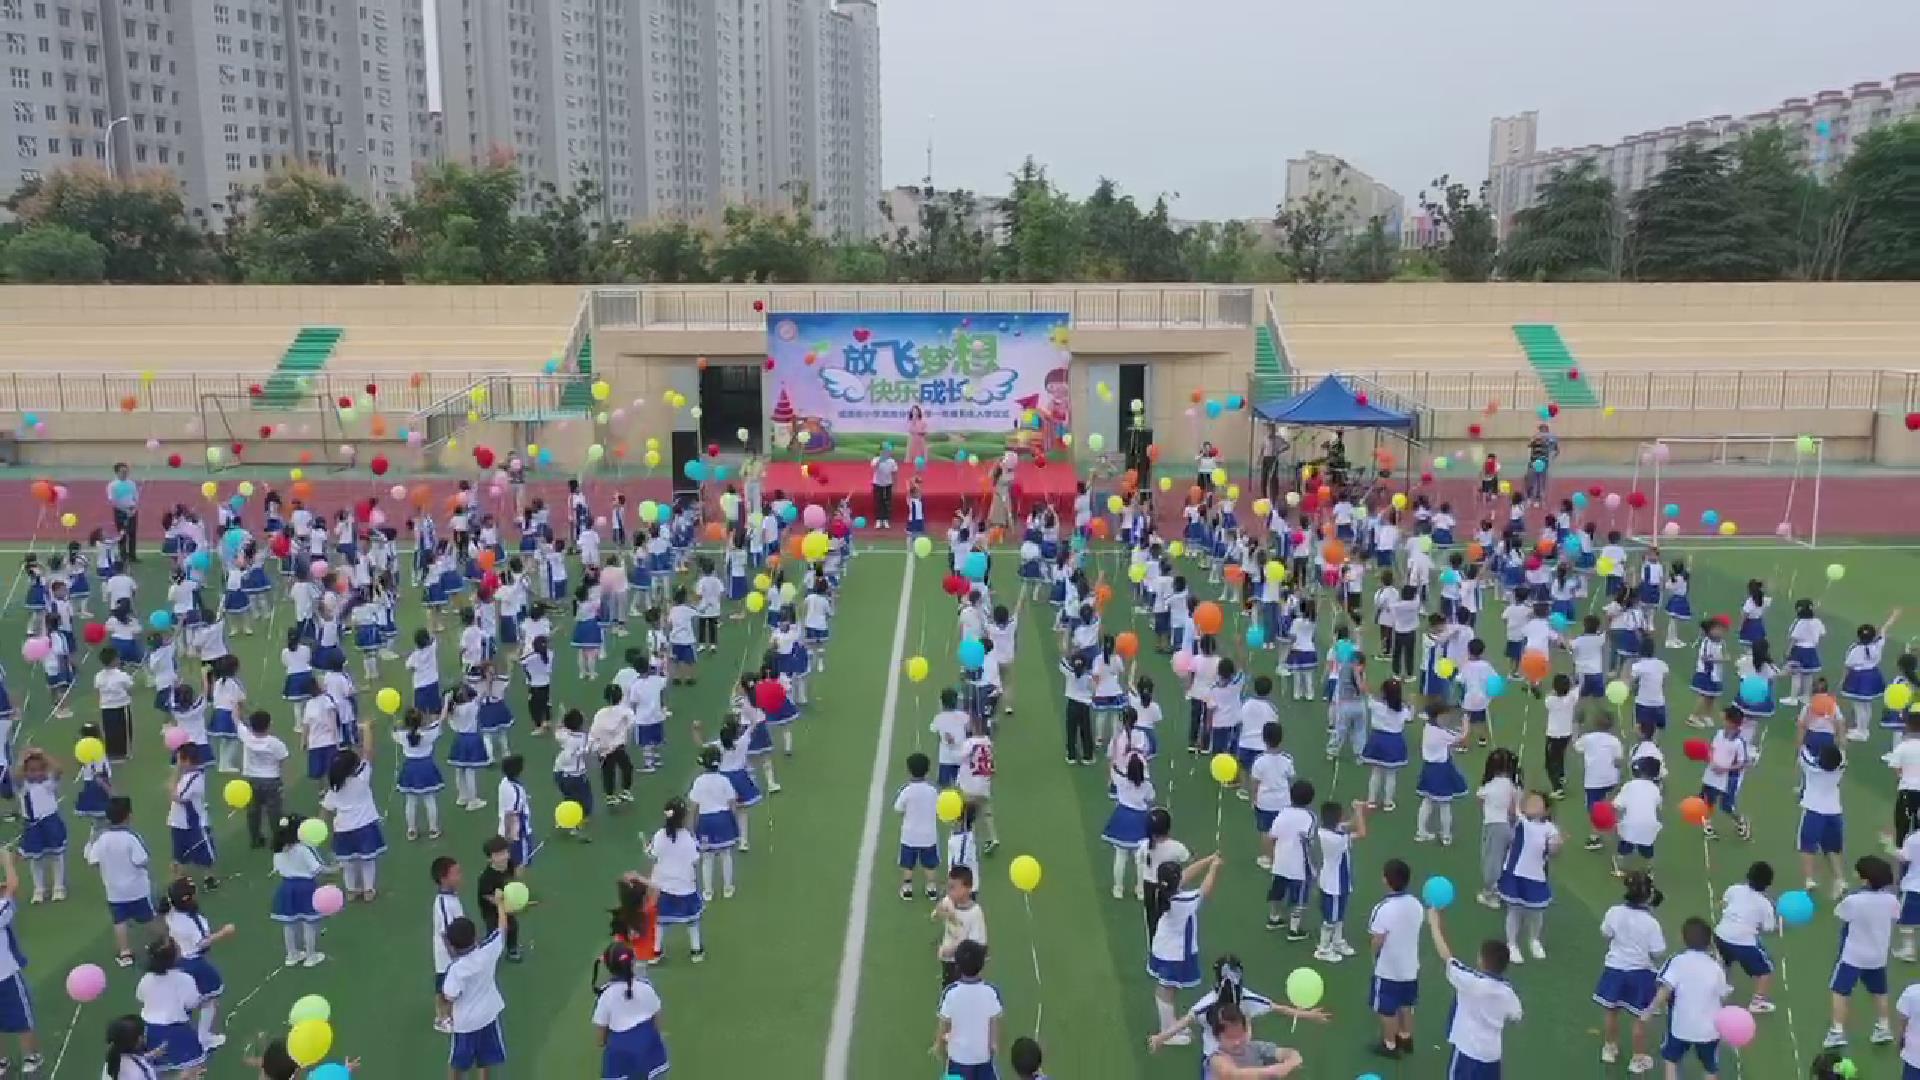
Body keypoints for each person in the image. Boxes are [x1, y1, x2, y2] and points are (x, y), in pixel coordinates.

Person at [1426, 905, 1523, 1078]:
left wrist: (1434, 924)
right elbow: (1516, 1017)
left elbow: (1447, 957)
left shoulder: (1470, 982)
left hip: (1467, 1052)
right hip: (1492, 1056)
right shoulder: (1509, 993)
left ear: (1482, 960)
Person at [1593, 870, 1666, 1072]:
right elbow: (1658, 952)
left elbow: (1606, 933)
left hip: (1614, 969)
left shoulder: (1614, 912)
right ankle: (1637, 1058)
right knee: (1640, 1019)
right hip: (1640, 974)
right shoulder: (1651, 923)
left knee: (1611, 1011)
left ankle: (1609, 1048)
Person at [1826, 855, 1900, 1049]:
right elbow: (1894, 916)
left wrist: (1842, 896)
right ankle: (1884, 1027)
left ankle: (1837, 1032)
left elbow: (1840, 914)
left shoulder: (1854, 900)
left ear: (1865, 879)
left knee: (1840, 991)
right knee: (1880, 992)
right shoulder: (1892, 900)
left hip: (1853, 955)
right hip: (1878, 956)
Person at [1649, 918, 1732, 1080]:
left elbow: (1665, 989)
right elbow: (1723, 992)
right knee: (1710, 1068)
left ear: (1682, 938)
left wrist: (1650, 1010)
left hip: (1681, 1025)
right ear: (1709, 942)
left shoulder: (1677, 961)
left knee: (1671, 1060)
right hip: (1709, 1030)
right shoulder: (1715, 967)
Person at [440, 901, 512, 1080]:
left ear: (452, 945)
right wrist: (500, 904)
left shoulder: (456, 970)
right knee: (485, 1058)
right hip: (488, 1016)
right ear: (475, 936)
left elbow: (449, 996)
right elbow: (502, 928)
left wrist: (446, 1015)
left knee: (458, 1063)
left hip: (466, 1025)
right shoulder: (488, 952)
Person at [84, 797, 154, 968]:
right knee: (149, 918)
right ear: (129, 816)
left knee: (119, 921)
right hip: (137, 889)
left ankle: (125, 953)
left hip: (114, 891)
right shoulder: (131, 837)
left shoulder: (102, 839)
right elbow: (142, 860)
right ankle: (159, 944)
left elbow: (92, 861)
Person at [1367, 857, 1422, 1059]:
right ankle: (1406, 1038)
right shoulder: (1416, 905)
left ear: (1386, 880)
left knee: (1386, 1010)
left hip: (1389, 969)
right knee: (1406, 1004)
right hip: (1410, 967)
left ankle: (1389, 1044)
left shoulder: (1383, 909)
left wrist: (1373, 955)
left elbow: (1377, 939)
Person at [593, 942, 669, 1080]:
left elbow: (600, 1037)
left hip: (619, 1054)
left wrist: (604, 1043)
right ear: (632, 963)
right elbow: (658, 1018)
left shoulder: (605, 995)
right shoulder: (646, 987)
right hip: (649, 1048)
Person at [934, 939, 1001, 1080]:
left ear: (957, 965)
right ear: (982, 965)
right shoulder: (990, 991)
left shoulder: (951, 992)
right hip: (983, 1058)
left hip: (957, 1058)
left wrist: (939, 1045)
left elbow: (944, 1025)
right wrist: (993, 1045)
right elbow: (993, 1024)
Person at [429, 856, 465, 1034]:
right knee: (442, 987)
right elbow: (445, 933)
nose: (460, 876)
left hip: (456, 951)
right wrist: (456, 955)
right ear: (444, 878)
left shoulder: (452, 898)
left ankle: (450, 1014)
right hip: (446, 956)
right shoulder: (442, 903)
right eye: (456, 873)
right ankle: (441, 1018)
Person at [934, 865, 987, 987]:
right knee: (947, 987)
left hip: (963, 965)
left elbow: (974, 944)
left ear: (968, 888)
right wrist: (944, 912)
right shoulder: (949, 902)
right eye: (949, 887)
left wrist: (949, 951)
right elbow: (937, 913)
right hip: (948, 960)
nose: (949, 891)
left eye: (953, 888)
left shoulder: (975, 913)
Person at [109, 461, 140, 564]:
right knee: (122, 534)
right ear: (117, 472)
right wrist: (125, 510)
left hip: (132, 511)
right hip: (120, 512)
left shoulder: (131, 483)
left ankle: (132, 555)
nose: (125, 473)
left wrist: (134, 508)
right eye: (122, 471)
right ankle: (123, 556)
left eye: (126, 471)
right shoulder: (113, 485)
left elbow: (136, 497)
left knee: (132, 534)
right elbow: (113, 501)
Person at [870, 448, 899, 529]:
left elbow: (895, 473)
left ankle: (886, 520)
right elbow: (874, 468)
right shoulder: (875, 460)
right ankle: (878, 520)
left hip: (888, 484)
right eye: (883, 451)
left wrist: (896, 486)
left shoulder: (892, 461)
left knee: (887, 502)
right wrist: (880, 460)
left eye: (887, 451)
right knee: (878, 501)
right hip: (877, 484)